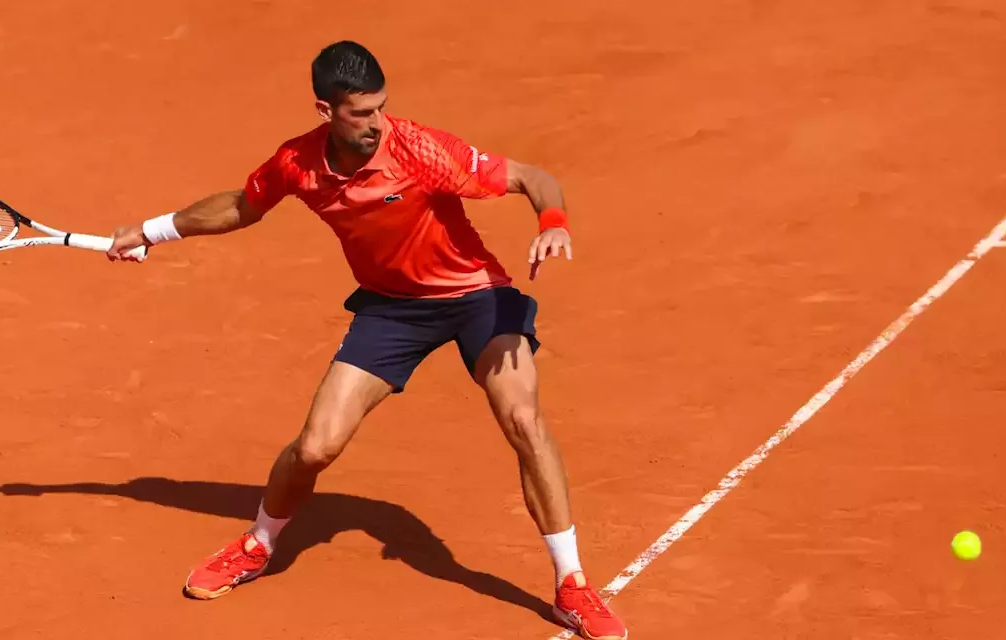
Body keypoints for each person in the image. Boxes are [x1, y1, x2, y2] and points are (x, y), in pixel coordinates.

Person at [106, 40, 627, 640]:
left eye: (381, 107)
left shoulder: (421, 150)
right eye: (361, 113)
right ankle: (257, 543)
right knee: (315, 447)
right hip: (392, 312)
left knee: (523, 418)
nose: (377, 123)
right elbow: (240, 206)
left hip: (475, 296)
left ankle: (572, 587)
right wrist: (149, 231)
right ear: (326, 111)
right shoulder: (298, 162)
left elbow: (533, 177)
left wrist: (552, 224)